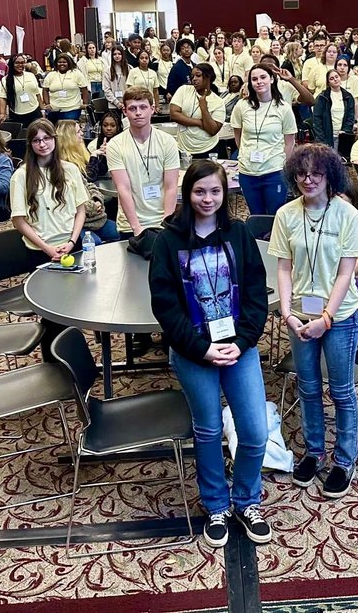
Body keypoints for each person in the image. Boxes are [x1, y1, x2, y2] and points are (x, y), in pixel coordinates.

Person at [147, 161, 273, 547]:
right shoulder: (167, 241)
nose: (207, 199)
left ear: (225, 194)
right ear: (188, 193)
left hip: (238, 346)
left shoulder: (238, 235)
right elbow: (164, 307)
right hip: (193, 350)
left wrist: (244, 340)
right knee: (209, 430)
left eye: (215, 192)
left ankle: (246, 500)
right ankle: (217, 504)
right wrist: (201, 348)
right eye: (200, 191)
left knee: (254, 431)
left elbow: (256, 292)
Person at [271, 143, 358, 499]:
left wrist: (326, 317)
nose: (308, 180)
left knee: (340, 390)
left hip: (338, 316)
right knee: (308, 387)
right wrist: (286, 311)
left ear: (330, 176)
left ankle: (345, 459)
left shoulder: (346, 214)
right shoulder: (286, 215)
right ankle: (314, 452)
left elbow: (346, 273)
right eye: (301, 173)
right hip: (299, 316)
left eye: (316, 173)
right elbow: (283, 266)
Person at [9, 119, 89, 262]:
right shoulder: (20, 176)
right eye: (36, 140)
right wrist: (46, 248)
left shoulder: (71, 169)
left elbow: (81, 210)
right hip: (39, 250)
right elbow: (18, 220)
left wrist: (72, 242)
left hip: (71, 244)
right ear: (30, 144)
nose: (42, 144)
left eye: (46, 138)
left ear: (55, 139)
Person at [107, 87, 180, 237]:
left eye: (143, 107)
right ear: (125, 112)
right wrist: (136, 228)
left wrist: (166, 223)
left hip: (161, 221)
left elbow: (171, 186)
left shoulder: (168, 142)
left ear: (152, 109)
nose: (138, 112)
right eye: (132, 108)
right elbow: (123, 188)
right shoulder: (115, 144)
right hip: (130, 224)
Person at [231, 63, 298, 216]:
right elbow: (238, 135)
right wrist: (245, 154)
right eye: (254, 79)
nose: (259, 82)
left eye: (263, 77)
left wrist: (283, 164)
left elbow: (290, 141)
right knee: (256, 215)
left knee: (275, 216)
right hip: (247, 171)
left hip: (274, 171)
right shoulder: (242, 106)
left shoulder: (283, 107)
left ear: (272, 80)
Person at [53, 121, 118, 243]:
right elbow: (72, 196)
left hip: (95, 216)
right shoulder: (63, 166)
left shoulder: (80, 153)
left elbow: (90, 184)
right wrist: (93, 206)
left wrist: (100, 155)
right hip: (76, 219)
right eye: (78, 131)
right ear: (69, 137)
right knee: (95, 243)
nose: (82, 133)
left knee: (120, 232)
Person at [168, 63, 226, 161]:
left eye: (198, 75)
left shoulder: (218, 102)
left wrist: (204, 108)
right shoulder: (184, 90)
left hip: (207, 150)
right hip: (183, 150)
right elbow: (174, 114)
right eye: (192, 76)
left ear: (208, 77)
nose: (194, 79)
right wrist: (199, 122)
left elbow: (212, 130)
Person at [311, 68, 356, 150]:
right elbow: (317, 120)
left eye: (337, 77)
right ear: (328, 82)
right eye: (332, 78)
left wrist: (345, 131)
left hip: (342, 137)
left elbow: (351, 117)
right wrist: (321, 140)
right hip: (326, 137)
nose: (335, 79)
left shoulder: (348, 97)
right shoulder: (322, 97)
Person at [0, 54, 44, 128]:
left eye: (22, 63)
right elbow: (2, 98)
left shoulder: (31, 76)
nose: (20, 65)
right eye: (17, 63)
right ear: (12, 64)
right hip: (16, 114)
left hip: (34, 112)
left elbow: (37, 94)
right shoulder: (5, 80)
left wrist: (42, 109)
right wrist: (2, 113)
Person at [42, 54, 89, 123]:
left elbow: (84, 89)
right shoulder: (51, 75)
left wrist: (85, 103)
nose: (62, 64)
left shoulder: (76, 73)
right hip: (54, 110)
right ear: (56, 63)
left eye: (64, 62)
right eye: (59, 62)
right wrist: (47, 104)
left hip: (72, 109)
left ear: (69, 63)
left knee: (68, 131)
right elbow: (45, 90)